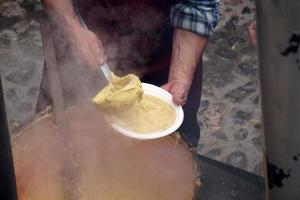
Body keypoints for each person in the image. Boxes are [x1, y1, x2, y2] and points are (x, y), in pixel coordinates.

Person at [41, 0, 220, 148]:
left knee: (171, 152)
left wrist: (179, 77)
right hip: (79, 44)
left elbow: (198, 7)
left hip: (166, 55)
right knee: (59, 144)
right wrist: (71, 26)